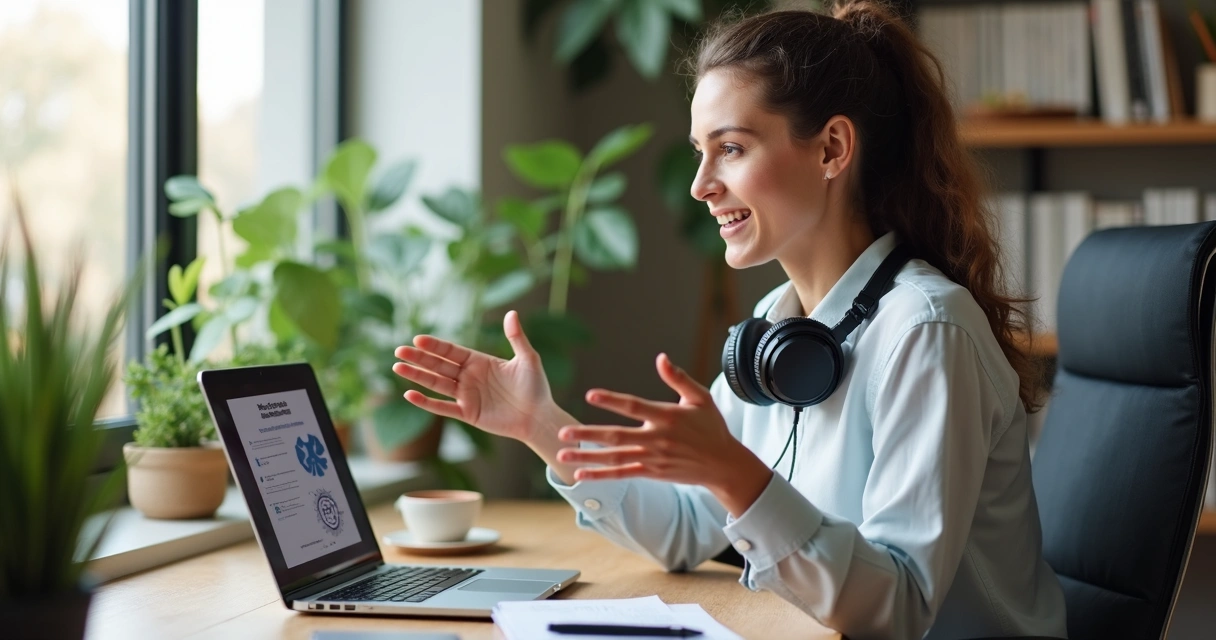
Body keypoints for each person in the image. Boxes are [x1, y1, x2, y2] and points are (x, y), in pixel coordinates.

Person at [391, 1, 1068, 638]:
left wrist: (738, 476)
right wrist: (541, 424)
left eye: (733, 148)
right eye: (699, 151)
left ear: (832, 148)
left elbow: (898, 606)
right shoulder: (778, 326)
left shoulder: (926, 331)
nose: (700, 184)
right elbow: (688, 526)